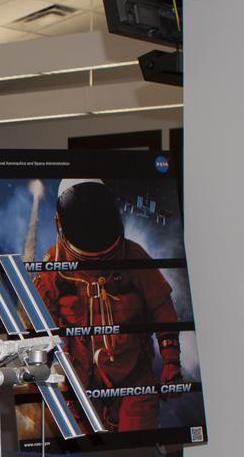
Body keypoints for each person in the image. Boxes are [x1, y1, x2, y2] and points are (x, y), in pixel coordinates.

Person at [34, 178, 181, 432]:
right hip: (80, 388)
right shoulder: (54, 265)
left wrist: (171, 362)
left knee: (137, 451)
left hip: (134, 380)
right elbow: (38, 322)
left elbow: (162, 308)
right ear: (61, 221)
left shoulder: (133, 255)